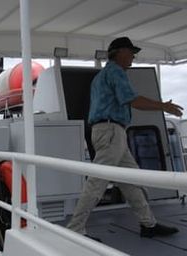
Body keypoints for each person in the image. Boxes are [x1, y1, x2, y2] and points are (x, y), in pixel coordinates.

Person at [66, 37, 183, 240]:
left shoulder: (102, 76)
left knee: (132, 180)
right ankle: (75, 229)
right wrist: (163, 106)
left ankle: (148, 224)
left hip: (111, 132)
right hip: (111, 131)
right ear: (119, 52)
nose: (133, 57)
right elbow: (132, 100)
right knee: (97, 182)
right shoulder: (115, 72)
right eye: (130, 52)